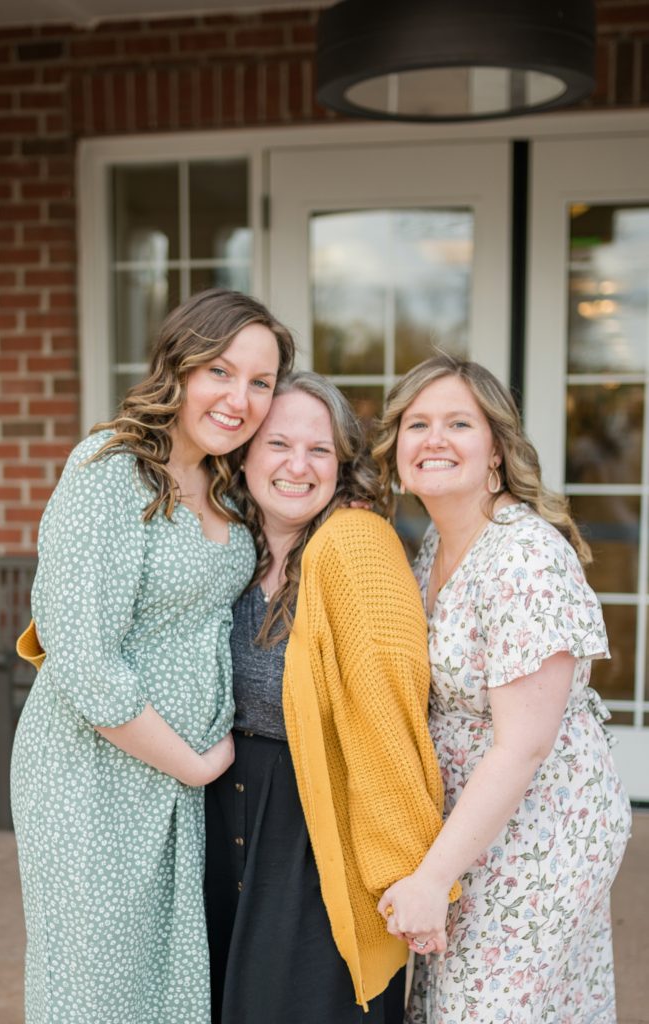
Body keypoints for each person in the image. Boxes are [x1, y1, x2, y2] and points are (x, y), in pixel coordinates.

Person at [10, 289, 294, 1024]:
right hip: (94, 770)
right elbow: (80, 653)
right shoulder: (109, 470)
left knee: (166, 980)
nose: (239, 399)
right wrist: (192, 763)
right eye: (220, 371)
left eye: (260, 382)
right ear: (180, 364)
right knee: (98, 986)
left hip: (179, 782)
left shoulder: (225, 477)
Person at [373, 354, 632, 1024]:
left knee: (485, 1010)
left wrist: (432, 879)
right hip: (475, 829)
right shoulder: (437, 541)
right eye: (417, 424)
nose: (433, 438)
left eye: (458, 423)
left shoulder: (523, 558)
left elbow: (522, 747)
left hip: (542, 830)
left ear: (496, 448)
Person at [204, 371, 461, 1024]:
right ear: (245, 454)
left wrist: (410, 874)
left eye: (318, 450)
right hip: (221, 814)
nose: (297, 466)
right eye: (277, 444)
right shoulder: (229, 543)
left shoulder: (355, 546)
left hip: (311, 827)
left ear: (342, 463)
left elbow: (388, 718)